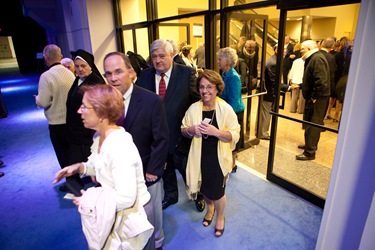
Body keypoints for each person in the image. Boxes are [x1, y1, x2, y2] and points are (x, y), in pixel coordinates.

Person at [53, 84, 153, 249]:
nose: (79, 111)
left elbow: (125, 198)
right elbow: (101, 164)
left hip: (135, 216)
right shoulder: (100, 136)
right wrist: (80, 168)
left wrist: (89, 200)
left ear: (101, 113)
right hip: (119, 211)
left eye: (84, 107)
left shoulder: (118, 146)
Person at [103, 51, 169, 250]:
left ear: (131, 72)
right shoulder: (103, 103)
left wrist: (153, 170)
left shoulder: (151, 101)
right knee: (125, 219)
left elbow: (162, 139)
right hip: (116, 177)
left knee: (152, 218)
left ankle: (157, 244)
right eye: (108, 74)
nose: (113, 78)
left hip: (146, 173)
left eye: (118, 72)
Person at [137, 39, 202, 211]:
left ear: (171, 55)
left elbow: (197, 101)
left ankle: (198, 194)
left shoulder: (187, 73)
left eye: (161, 56)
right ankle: (171, 196)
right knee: (166, 170)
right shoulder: (144, 76)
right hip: (157, 138)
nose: (157, 60)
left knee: (188, 169)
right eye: (154, 56)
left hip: (181, 136)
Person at [181, 69, 240, 237]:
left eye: (209, 87)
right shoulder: (193, 109)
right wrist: (191, 129)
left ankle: (220, 217)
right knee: (205, 189)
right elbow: (183, 130)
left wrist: (217, 132)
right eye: (201, 87)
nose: (204, 91)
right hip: (199, 157)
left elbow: (235, 134)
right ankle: (210, 207)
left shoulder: (226, 109)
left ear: (217, 89)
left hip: (218, 158)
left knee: (218, 193)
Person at [64, 49, 105, 192]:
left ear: (90, 66)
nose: (80, 69)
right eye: (77, 66)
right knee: (75, 157)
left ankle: (101, 187)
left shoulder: (96, 82)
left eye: (83, 66)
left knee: (94, 160)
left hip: (87, 131)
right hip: (76, 129)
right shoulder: (78, 79)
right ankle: (74, 183)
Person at [35, 44, 75, 173]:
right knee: (71, 151)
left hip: (56, 122)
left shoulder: (46, 76)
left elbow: (44, 101)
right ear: (61, 56)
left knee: (62, 153)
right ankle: (76, 177)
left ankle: (71, 182)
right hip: (71, 120)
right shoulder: (70, 73)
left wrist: (37, 99)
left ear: (45, 58)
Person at [296, 40, 330, 161]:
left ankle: (310, 152)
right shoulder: (314, 58)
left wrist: (315, 96)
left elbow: (321, 81)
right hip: (314, 98)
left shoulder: (316, 59)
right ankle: (309, 145)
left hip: (318, 99)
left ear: (309, 48)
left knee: (314, 124)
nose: (300, 51)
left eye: (302, 49)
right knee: (309, 123)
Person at [216, 47, 245, 172]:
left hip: (235, 112)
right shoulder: (224, 74)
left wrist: (227, 115)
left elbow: (233, 99)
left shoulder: (234, 77)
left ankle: (233, 164)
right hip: (226, 109)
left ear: (227, 61)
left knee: (233, 137)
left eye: (220, 59)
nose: (218, 62)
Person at [258, 45, 290, 140]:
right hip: (269, 92)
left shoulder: (274, 60)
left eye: (285, 50)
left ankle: (261, 131)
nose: (285, 52)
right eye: (282, 50)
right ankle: (263, 133)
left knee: (265, 112)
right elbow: (274, 81)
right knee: (266, 112)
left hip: (268, 91)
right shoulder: (274, 63)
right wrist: (287, 87)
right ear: (276, 50)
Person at [320, 37, 337, 120]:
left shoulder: (315, 54)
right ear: (332, 46)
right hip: (325, 88)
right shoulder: (331, 58)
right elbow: (331, 74)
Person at [288, 50, 306, 114]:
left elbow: (292, 70)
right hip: (303, 81)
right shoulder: (307, 62)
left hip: (295, 80)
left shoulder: (296, 61)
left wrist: (290, 79)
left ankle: (292, 109)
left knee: (294, 97)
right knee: (302, 97)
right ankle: (301, 110)